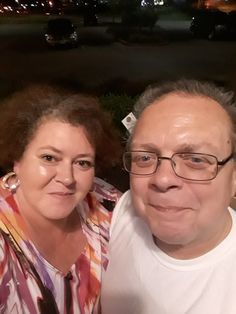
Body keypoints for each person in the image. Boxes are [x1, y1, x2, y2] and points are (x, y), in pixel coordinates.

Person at [101, 79, 236, 314]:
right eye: (145, 157)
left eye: (196, 160)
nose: (163, 180)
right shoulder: (121, 213)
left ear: (233, 179)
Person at [0, 84, 122, 314]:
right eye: (49, 158)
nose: (67, 178)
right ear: (17, 158)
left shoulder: (106, 204)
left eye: (82, 162)